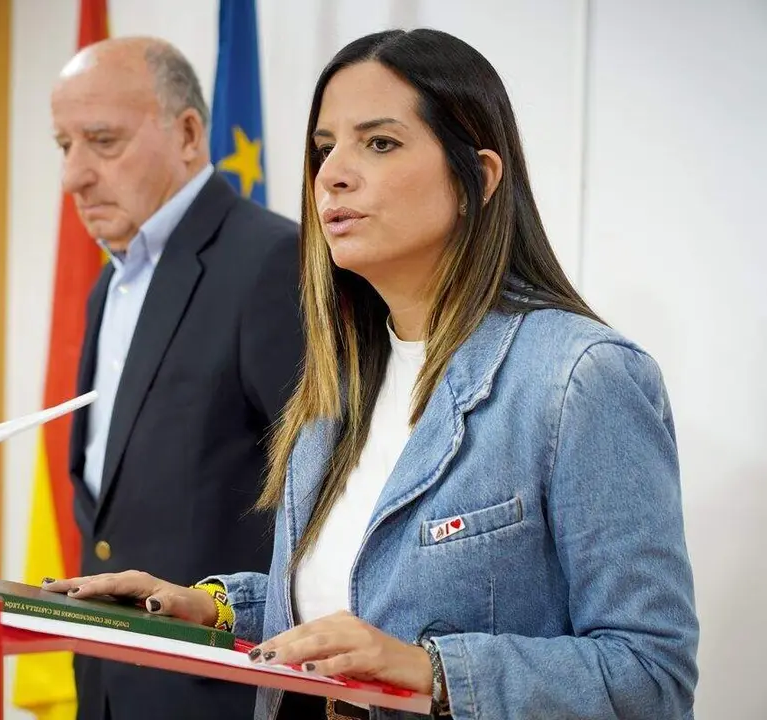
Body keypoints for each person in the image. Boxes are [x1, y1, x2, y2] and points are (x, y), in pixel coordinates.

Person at [45, 28, 700, 720]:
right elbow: (348, 605)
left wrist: (430, 672)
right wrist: (213, 609)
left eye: (379, 143)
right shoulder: (336, 386)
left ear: (478, 176)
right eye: (325, 148)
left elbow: (650, 675)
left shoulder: (581, 378)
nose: (331, 174)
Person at [49, 36, 304, 720]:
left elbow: (316, 503)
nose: (74, 176)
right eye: (63, 145)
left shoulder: (271, 263)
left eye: (102, 141)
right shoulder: (113, 280)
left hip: (213, 687)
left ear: (189, 133)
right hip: (107, 678)